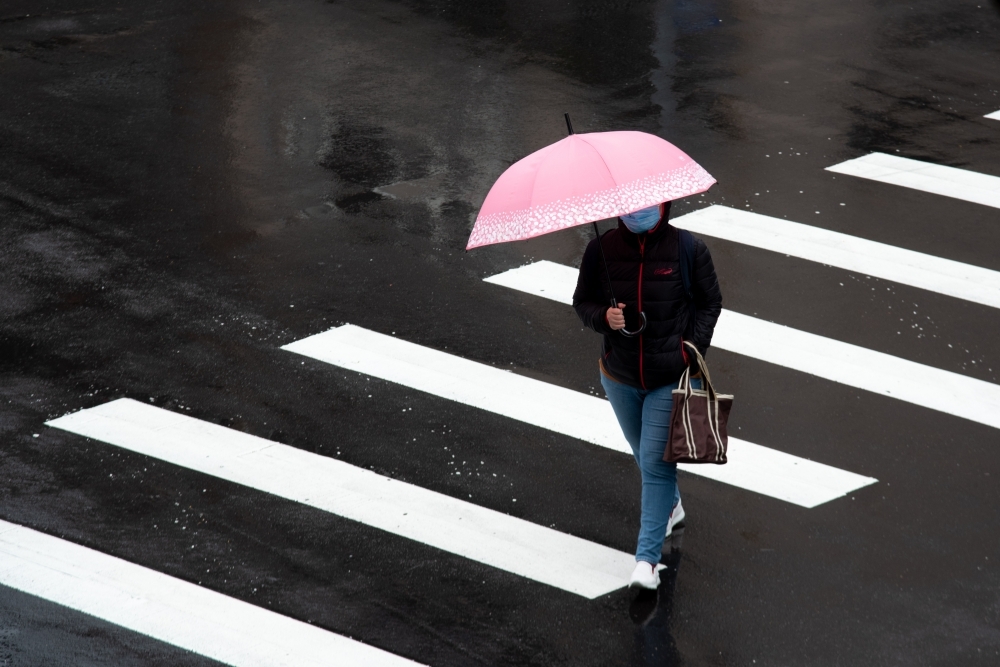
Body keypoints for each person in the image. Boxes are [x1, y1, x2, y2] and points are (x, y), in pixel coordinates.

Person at [573, 201, 722, 590]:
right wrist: (604, 317)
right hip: (618, 376)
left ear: (664, 204)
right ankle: (670, 507)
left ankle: (647, 564)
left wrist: (691, 347)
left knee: (655, 465)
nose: (639, 211)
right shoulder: (600, 251)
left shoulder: (688, 249)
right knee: (644, 454)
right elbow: (582, 302)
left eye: (648, 204)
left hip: (668, 379)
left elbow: (710, 302)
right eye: (630, 205)